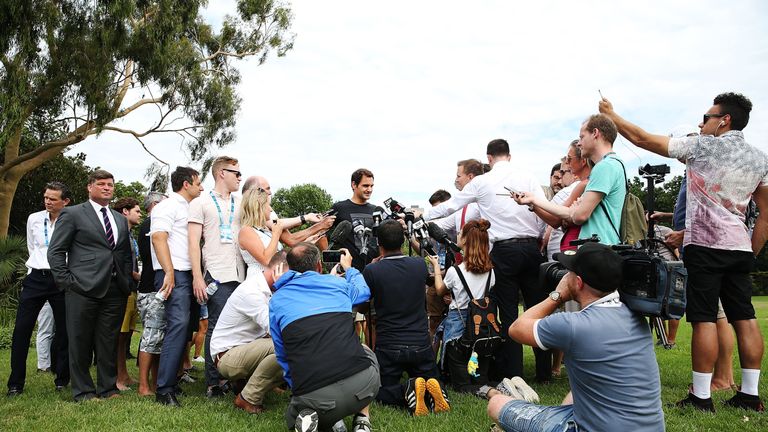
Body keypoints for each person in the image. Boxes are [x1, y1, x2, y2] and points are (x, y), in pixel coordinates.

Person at [600, 92, 767, 412]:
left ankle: (701, 397)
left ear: (724, 121)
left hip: (704, 245)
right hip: (739, 247)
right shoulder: (760, 158)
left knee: (704, 319)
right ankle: (749, 395)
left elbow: (642, 139)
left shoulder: (703, 146)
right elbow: (766, 213)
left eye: (706, 118)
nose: (701, 123)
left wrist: (612, 115)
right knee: (745, 317)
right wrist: (752, 251)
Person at [485, 243, 665, 432]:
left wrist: (558, 295)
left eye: (568, 271)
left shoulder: (572, 325)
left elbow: (516, 328)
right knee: (579, 389)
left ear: (578, 282)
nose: (564, 275)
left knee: (497, 403)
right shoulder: (635, 316)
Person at [423, 139, 548, 383]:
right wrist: (541, 238)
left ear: (489, 158)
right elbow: (542, 207)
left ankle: (514, 374)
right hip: (532, 248)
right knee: (537, 311)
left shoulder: (482, 181)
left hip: (504, 251)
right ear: (509, 156)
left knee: (509, 312)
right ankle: (544, 372)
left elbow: (451, 207)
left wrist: (422, 215)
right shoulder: (529, 177)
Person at [270, 243, 379, 432]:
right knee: (365, 350)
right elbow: (363, 291)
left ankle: (327, 419)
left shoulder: (277, 300)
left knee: (297, 416)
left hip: (313, 395)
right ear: (319, 266)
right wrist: (350, 268)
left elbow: (283, 355)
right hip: (364, 386)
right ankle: (362, 419)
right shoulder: (338, 285)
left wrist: (298, 388)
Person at [47, 170, 134, 402]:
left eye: (111, 185)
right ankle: (84, 391)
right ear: (90, 187)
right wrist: (66, 282)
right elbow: (56, 251)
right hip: (81, 288)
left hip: (115, 289)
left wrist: (125, 280)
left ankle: (108, 388)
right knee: (80, 341)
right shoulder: (72, 213)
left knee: (108, 341)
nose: (107, 188)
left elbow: (124, 254)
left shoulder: (119, 219)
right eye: (102, 184)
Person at [362, 220, 450, 415]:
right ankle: (432, 392)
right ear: (403, 242)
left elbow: (362, 306)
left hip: (389, 346)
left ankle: (406, 390)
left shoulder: (372, 270)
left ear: (379, 244)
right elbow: (431, 282)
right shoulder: (419, 264)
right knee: (432, 379)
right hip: (421, 344)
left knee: (380, 390)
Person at [515, 115, 626, 246]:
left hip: (596, 251)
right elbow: (572, 214)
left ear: (595, 133)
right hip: (603, 248)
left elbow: (579, 216)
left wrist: (576, 210)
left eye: (582, 136)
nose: (579, 143)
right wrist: (534, 200)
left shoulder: (604, 166)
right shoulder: (617, 164)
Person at [187, 156, 246, 398]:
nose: (240, 178)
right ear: (222, 173)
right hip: (216, 274)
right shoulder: (200, 202)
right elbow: (192, 242)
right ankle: (213, 382)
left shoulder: (241, 202)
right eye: (236, 173)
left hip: (241, 274)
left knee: (239, 328)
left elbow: (268, 221)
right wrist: (197, 277)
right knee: (216, 326)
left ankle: (232, 377)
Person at [7, 182, 71, 397]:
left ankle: (62, 379)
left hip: (60, 279)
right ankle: (15, 384)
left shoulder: (71, 219)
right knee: (21, 330)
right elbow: (32, 247)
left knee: (64, 331)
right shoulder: (34, 218)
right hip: (35, 277)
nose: (48, 202)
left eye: (53, 199)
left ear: (65, 201)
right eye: (46, 197)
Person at [151, 166, 204, 407]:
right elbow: (158, 237)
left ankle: (172, 382)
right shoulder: (167, 206)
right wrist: (169, 272)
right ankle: (163, 390)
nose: (201, 187)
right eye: (198, 183)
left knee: (185, 330)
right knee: (177, 326)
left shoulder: (189, 208)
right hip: (173, 273)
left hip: (187, 274)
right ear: (186, 184)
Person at [210, 251, 287, 415]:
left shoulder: (267, 288)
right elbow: (277, 330)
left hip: (244, 348)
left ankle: (245, 384)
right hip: (227, 357)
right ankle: (248, 397)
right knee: (287, 345)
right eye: (291, 275)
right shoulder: (253, 291)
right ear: (279, 270)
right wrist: (284, 291)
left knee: (291, 346)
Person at [434, 219, 496, 394]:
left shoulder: (455, 271)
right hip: (480, 328)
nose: (458, 235)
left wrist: (436, 269)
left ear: (466, 240)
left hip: (458, 324)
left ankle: (488, 392)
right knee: (477, 373)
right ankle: (489, 384)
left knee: (459, 384)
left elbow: (440, 290)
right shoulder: (491, 271)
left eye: (460, 233)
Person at [136, 191, 167, 396]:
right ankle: (143, 385)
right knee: (150, 336)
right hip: (150, 289)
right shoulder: (151, 225)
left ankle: (155, 382)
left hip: (155, 288)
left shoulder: (154, 223)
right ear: (155, 205)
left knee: (159, 338)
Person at [111, 197, 142, 391]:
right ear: (125, 211)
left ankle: (124, 374)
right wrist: (135, 274)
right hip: (121, 289)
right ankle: (116, 378)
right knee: (119, 336)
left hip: (132, 289)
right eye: (137, 211)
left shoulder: (130, 235)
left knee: (127, 336)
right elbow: (119, 261)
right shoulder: (117, 234)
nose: (140, 214)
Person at [328, 168, 380, 270]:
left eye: (371, 186)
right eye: (365, 185)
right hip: (346, 271)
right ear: (354, 185)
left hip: (372, 271)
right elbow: (321, 232)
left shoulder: (377, 210)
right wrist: (330, 258)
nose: (369, 189)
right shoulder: (339, 208)